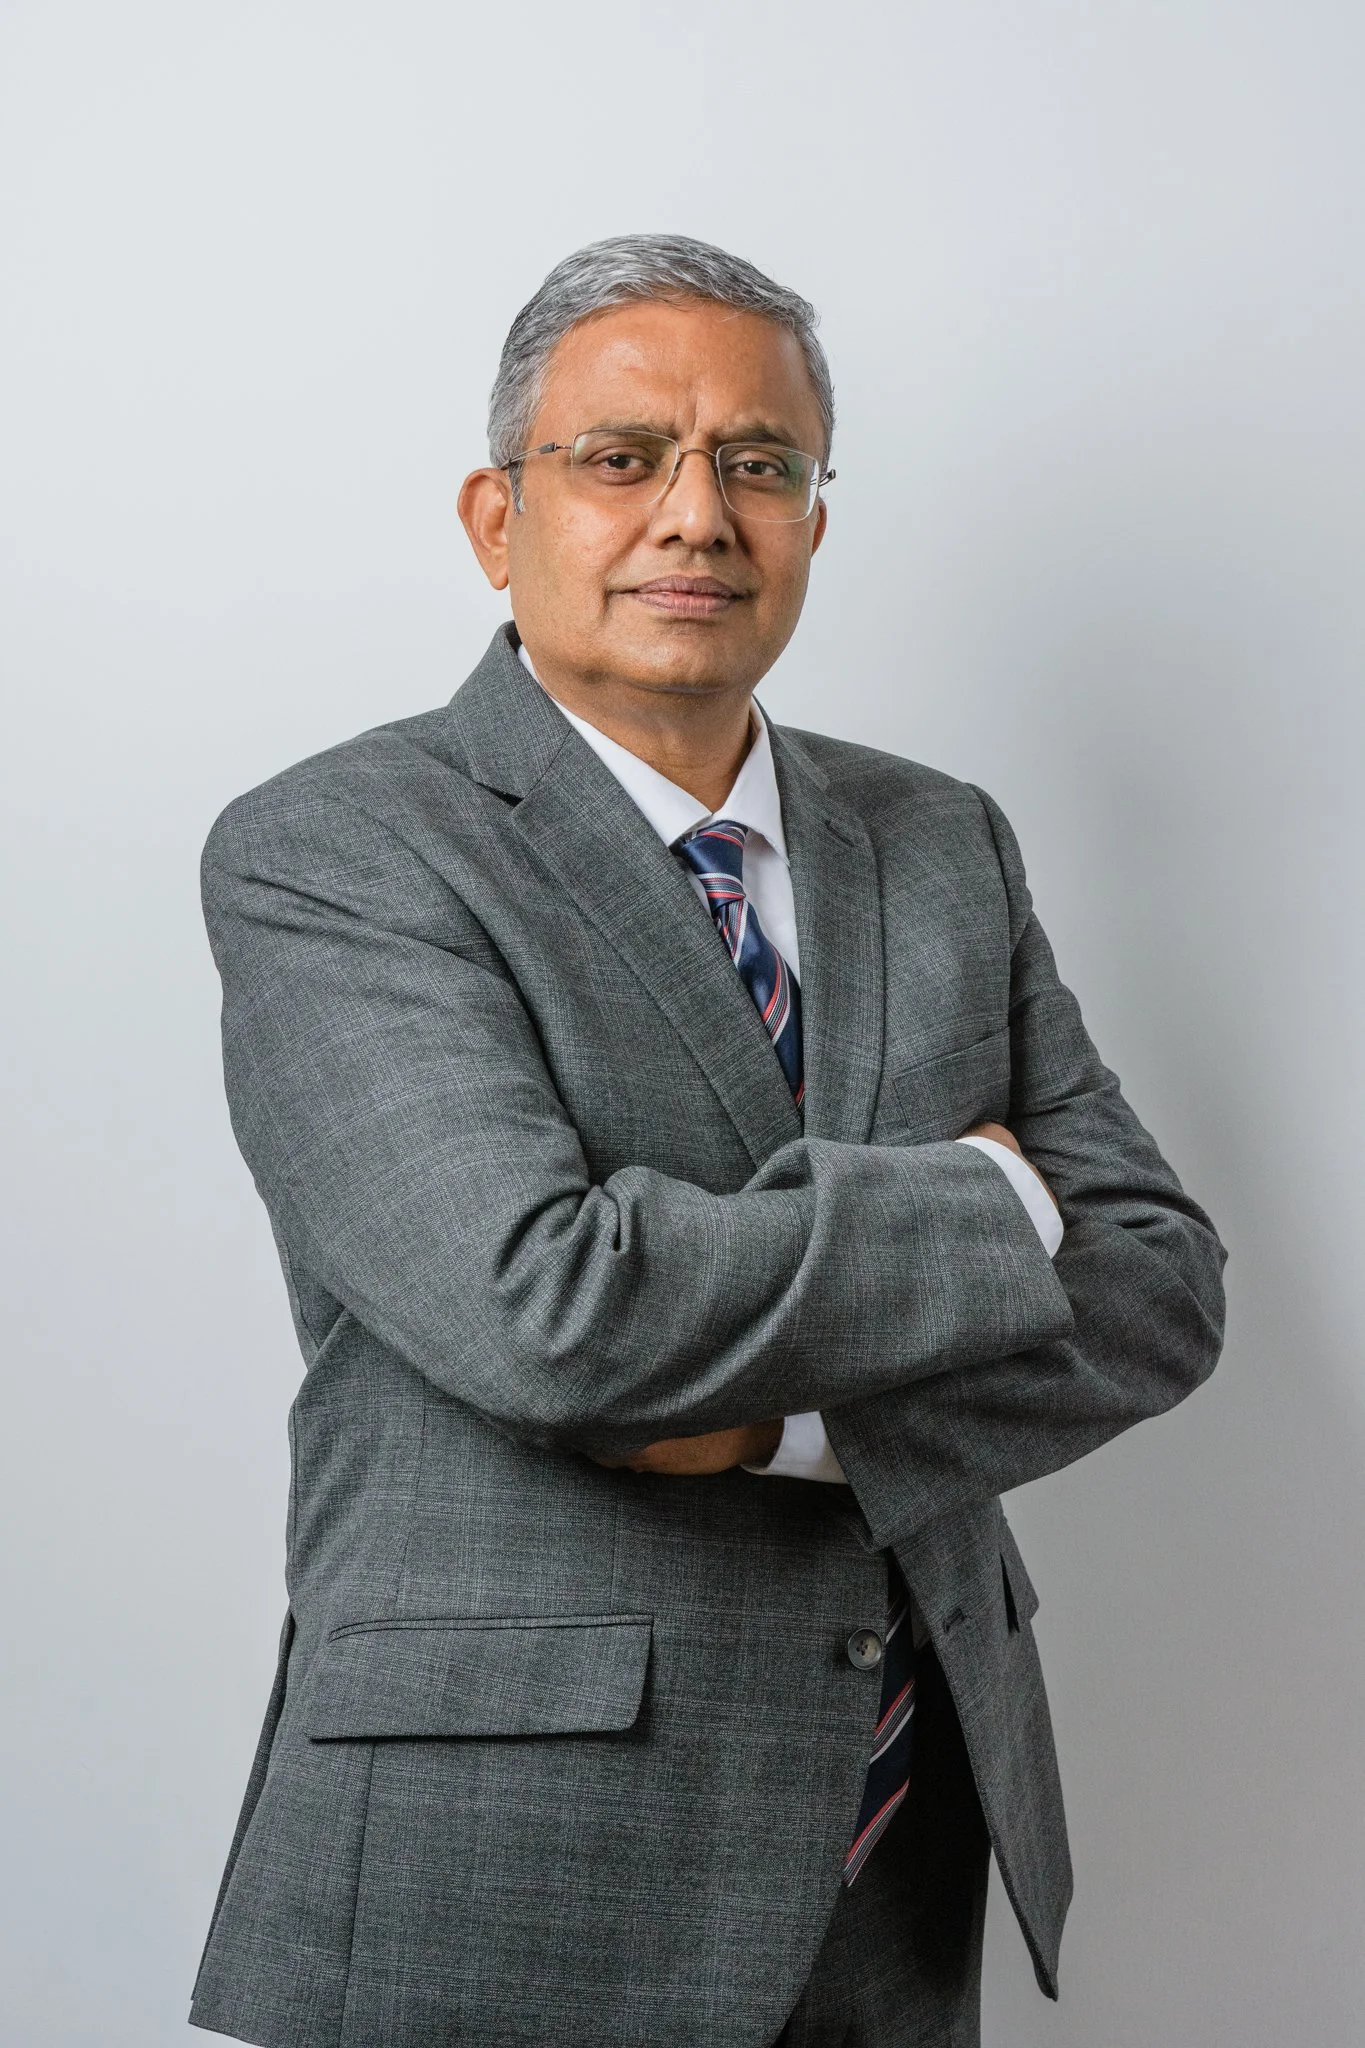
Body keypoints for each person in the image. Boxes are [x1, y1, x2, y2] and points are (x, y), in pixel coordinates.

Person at [190, 234, 1225, 2048]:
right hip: (503, 1856)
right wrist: (990, 1199)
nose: (699, 515)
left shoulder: (937, 840)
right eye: (623, 458)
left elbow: (1158, 1285)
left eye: (762, 464)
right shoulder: (340, 848)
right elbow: (553, 1315)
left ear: (818, 519)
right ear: (494, 516)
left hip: (898, 1835)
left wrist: (770, 1416)